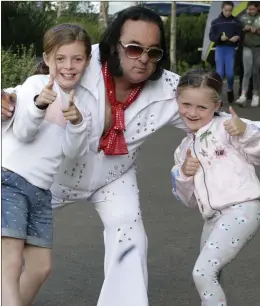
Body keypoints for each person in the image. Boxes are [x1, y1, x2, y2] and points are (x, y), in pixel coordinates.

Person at [2, 7, 260, 306]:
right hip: (54, 174)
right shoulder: (83, 58)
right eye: (134, 48)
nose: (144, 59)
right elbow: (26, 92)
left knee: (130, 233)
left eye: (154, 52)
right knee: (12, 243)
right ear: (113, 45)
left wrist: (243, 130)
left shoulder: (169, 89)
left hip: (115, 174)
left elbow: (213, 115)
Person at [1, 23, 92, 306]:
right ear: (48, 58)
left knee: (41, 268)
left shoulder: (81, 102)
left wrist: (77, 122)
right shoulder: (35, 85)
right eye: (60, 58)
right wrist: (40, 105)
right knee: (11, 260)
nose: (68, 66)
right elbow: (24, 132)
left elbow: (73, 153)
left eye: (77, 59)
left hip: (41, 191)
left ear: (86, 61)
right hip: (10, 179)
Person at [171, 69, 260, 306]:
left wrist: (246, 132)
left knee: (203, 272)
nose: (192, 112)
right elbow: (187, 199)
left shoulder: (229, 127)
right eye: (186, 104)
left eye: (201, 107)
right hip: (212, 219)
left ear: (217, 105)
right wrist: (185, 174)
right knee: (210, 272)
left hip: (242, 210)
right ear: (177, 101)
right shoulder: (183, 149)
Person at [209, 1, 243, 103]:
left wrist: (238, 37)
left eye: (230, 10)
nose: (228, 12)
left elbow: (241, 34)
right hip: (220, 49)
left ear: (232, 10)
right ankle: (219, 96)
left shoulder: (236, 21)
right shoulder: (216, 22)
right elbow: (211, 36)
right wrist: (219, 38)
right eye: (226, 10)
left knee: (230, 74)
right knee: (220, 73)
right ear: (222, 9)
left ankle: (230, 89)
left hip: (230, 49)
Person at [236, 1, 260, 107]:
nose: (250, 11)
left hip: (258, 47)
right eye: (249, 9)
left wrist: (257, 31)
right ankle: (243, 95)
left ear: (258, 8)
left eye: (253, 9)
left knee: (256, 71)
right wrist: (243, 29)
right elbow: (236, 31)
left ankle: (255, 95)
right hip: (246, 47)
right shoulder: (242, 18)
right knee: (247, 71)